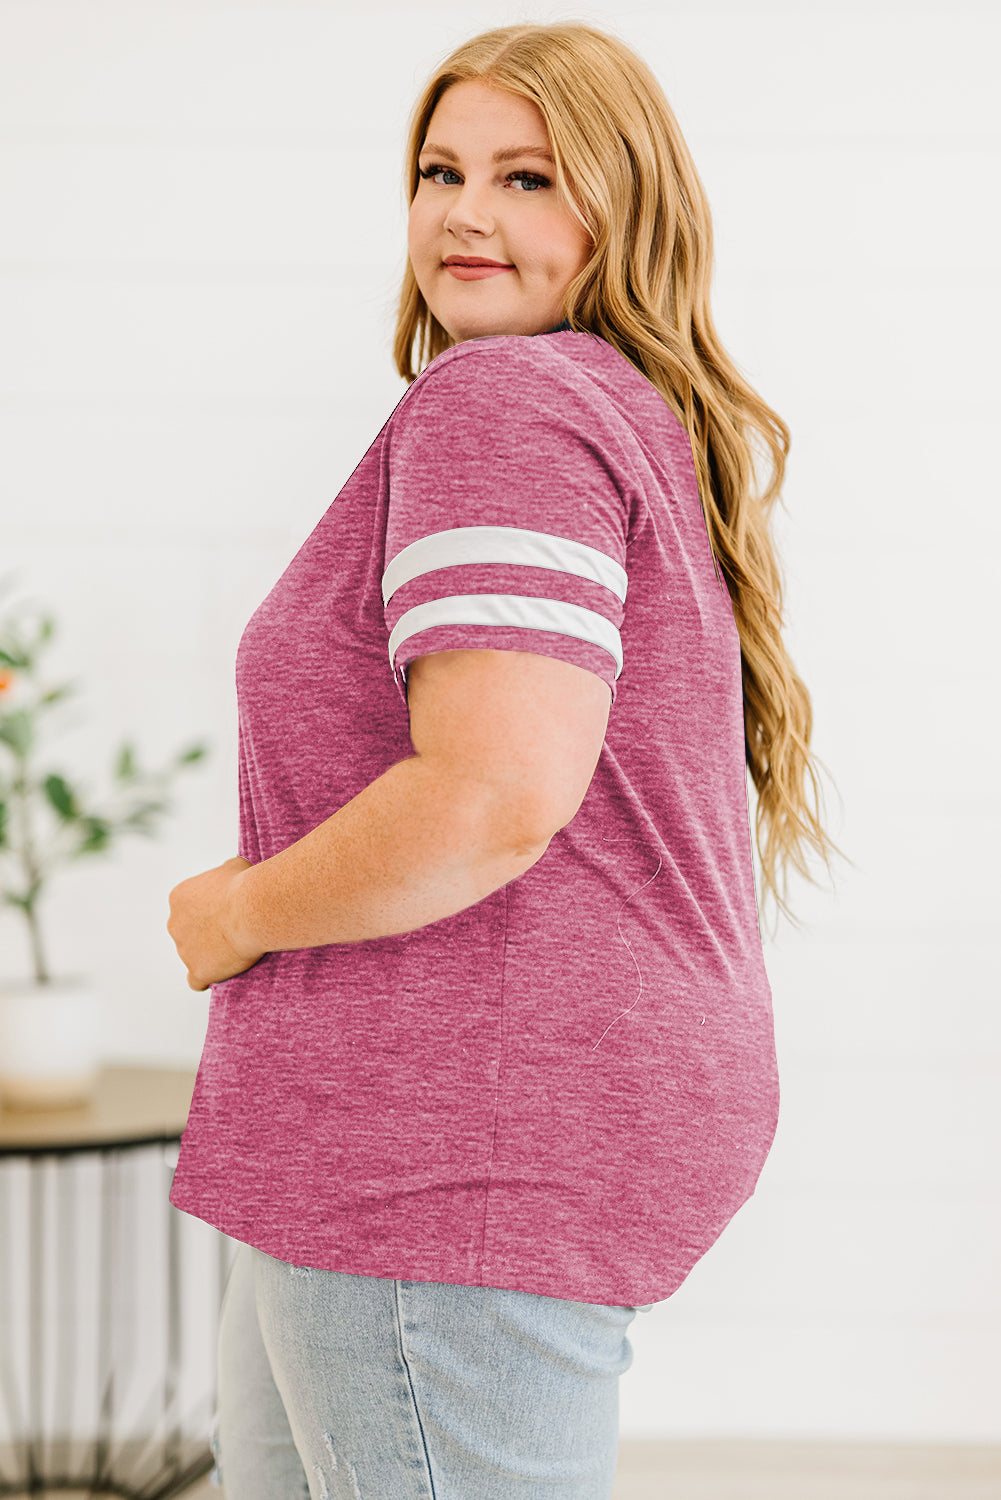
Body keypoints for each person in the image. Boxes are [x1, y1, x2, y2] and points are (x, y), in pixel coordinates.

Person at [165, 20, 845, 1500]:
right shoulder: (615, 409)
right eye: (439, 170)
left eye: (528, 178)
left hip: (452, 1129)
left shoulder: (507, 404)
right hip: (436, 1118)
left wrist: (232, 916)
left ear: (622, 210)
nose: (466, 212)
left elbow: (491, 796)